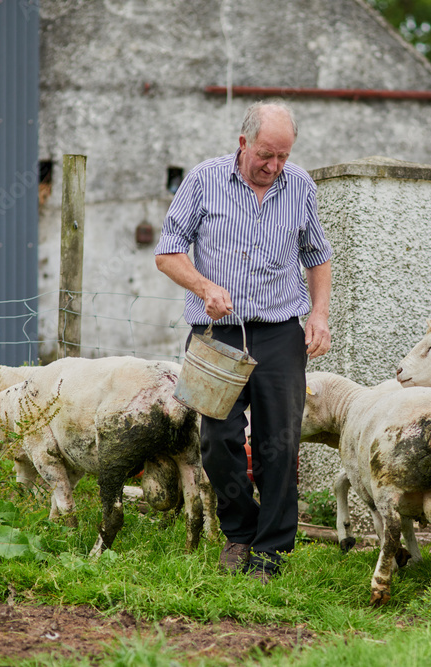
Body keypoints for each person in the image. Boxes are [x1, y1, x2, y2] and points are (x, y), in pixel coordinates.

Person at [154, 100, 332, 583]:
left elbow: (317, 254)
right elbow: (168, 252)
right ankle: (241, 532)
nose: (274, 167)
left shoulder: (300, 187)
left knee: (279, 442)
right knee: (217, 440)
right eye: (265, 156)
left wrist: (319, 314)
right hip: (217, 334)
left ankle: (273, 549)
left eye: (283, 157)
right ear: (243, 143)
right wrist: (204, 287)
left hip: (279, 332)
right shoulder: (204, 179)